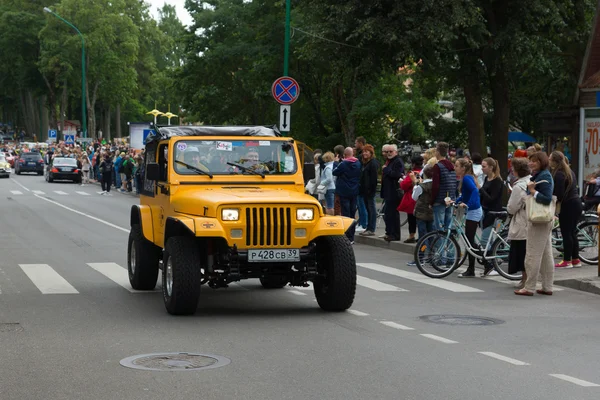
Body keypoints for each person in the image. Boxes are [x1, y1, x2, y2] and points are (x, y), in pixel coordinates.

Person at [515, 151, 555, 296]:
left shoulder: (543, 176)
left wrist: (532, 191)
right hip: (544, 219)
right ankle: (547, 286)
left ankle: (529, 286)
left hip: (538, 219)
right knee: (546, 254)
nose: (531, 163)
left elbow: (546, 198)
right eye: (530, 161)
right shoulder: (542, 175)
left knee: (532, 253)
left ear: (542, 162)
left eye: (535, 161)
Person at [550, 151, 581, 268]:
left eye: (550, 159)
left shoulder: (559, 174)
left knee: (566, 233)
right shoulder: (569, 171)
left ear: (554, 161)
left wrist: (552, 200)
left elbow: (559, 193)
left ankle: (567, 260)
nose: (548, 161)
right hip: (576, 203)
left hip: (568, 205)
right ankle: (576, 259)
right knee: (572, 232)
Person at [452, 158, 483, 278]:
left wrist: (468, 204)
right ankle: (477, 265)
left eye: (456, 166)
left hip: (474, 210)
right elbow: (465, 194)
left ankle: (473, 268)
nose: (455, 168)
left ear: (463, 168)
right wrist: (456, 201)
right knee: (470, 240)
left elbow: (475, 190)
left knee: (469, 241)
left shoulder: (466, 178)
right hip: (473, 210)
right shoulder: (467, 177)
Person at [506, 157, 531, 289]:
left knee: (521, 252)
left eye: (513, 168)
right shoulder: (532, 180)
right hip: (531, 220)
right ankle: (526, 278)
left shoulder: (518, 186)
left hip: (521, 221)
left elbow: (512, 207)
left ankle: (525, 278)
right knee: (528, 251)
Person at [333, 147, 361, 243]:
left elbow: (334, 172)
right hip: (354, 191)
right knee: (352, 213)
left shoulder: (344, 164)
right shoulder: (357, 163)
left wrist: (336, 162)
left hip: (344, 191)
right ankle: (352, 236)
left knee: (345, 214)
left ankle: (347, 236)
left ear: (344, 155)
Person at [479, 157, 504, 260]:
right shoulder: (486, 178)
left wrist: (480, 189)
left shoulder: (497, 181)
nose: (482, 169)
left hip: (493, 212)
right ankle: (493, 259)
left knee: (484, 241)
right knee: (489, 239)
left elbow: (491, 199)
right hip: (484, 211)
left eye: (484, 166)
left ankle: (493, 261)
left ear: (491, 167)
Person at [380, 144, 405, 241]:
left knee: (393, 214)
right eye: (387, 152)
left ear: (396, 152)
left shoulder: (398, 161)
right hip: (388, 191)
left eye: (391, 151)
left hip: (394, 191)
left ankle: (395, 234)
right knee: (388, 213)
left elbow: (397, 174)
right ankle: (390, 232)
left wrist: (386, 170)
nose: (389, 153)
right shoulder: (390, 161)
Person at [431, 142, 457, 232]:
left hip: (439, 200)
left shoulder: (437, 166)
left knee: (439, 228)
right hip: (450, 199)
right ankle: (449, 245)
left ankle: (439, 246)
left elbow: (435, 186)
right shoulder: (451, 166)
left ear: (437, 152)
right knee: (448, 226)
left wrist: (431, 201)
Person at [397, 155, 423, 243]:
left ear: (413, 163)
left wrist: (401, 182)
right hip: (422, 198)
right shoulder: (423, 172)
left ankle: (411, 235)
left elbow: (404, 185)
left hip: (412, 198)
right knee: (421, 219)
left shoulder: (413, 173)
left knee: (412, 218)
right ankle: (421, 236)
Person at [358, 144, 379, 236]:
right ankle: (368, 227)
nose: (364, 153)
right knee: (368, 209)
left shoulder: (373, 163)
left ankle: (371, 228)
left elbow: (373, 179)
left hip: (370, 191)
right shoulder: (365, 163)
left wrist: (371, 190)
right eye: (363, 152)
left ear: (371, 153)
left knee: (371, 209)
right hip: (364, 190)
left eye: (366, 151)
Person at [354, 136, 368, 233]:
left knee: (362, 205)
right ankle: (362, 223)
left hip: (362, 185)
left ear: (360, 143)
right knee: (360, 205)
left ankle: (364, 224)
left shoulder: (360, 157)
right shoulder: (359, 155)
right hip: (360, 184)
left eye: (356, 143)